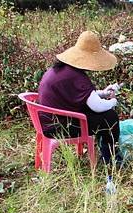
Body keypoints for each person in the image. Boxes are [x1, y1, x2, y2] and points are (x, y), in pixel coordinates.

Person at [38, 31, 122, 165]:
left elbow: (80, 95)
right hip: (61, 126)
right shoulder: (76, 77)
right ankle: (111, 158)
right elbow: (97, 106)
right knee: (110, 118)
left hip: (48, 122)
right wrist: (113, 102)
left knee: (102, 116)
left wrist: (102, 93)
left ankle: (107, 154)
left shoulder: (61, 70)